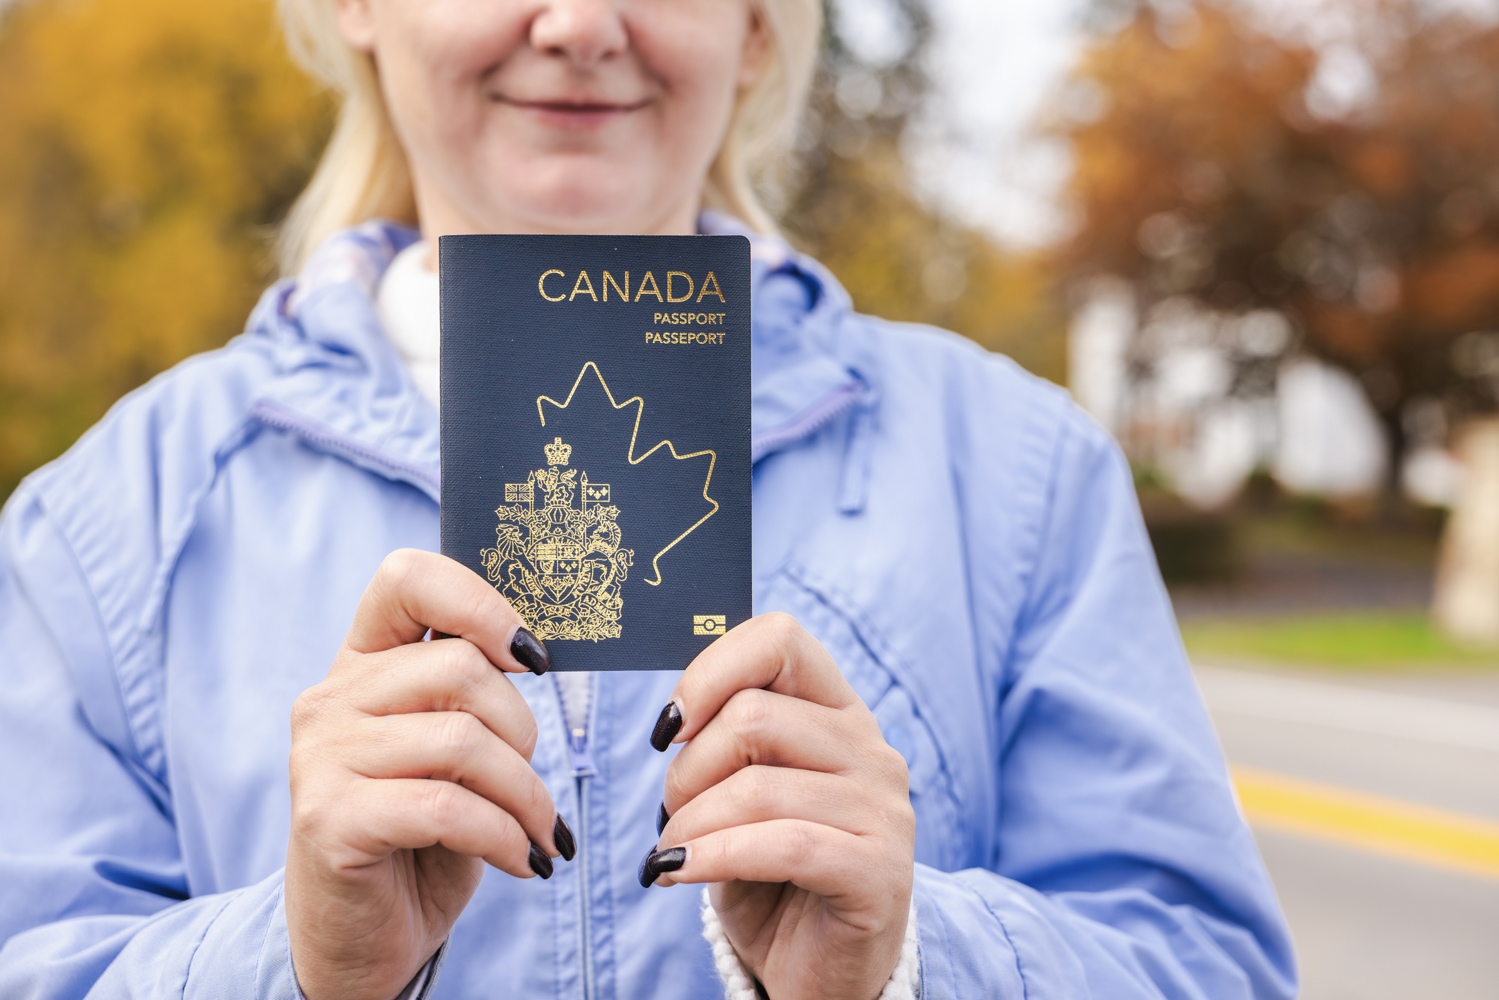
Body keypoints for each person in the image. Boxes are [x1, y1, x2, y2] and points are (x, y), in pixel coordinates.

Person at [0, 0, 1298, 997]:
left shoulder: (1018, 470)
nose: (578, 27)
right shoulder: (109, 520)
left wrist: (912, 957)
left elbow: (1207, 966)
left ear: (754, 24)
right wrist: (294, 963)